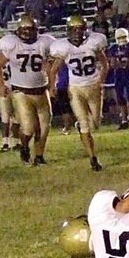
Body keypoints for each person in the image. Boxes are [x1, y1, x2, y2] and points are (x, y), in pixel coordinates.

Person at [47, 15, 109, 171]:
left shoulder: (94, 43)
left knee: (96, 122)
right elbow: (54, 69)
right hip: (75, 87)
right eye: (73, 30)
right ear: (68, 31)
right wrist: (52, 86)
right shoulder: (63, 47)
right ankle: (93, 158)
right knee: (85, 125)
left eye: (79, 29)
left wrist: (101, 80)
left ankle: (83, 125)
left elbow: (105, 63)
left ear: (85, 29)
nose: (76, 33)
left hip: (93, 85)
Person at [0, 15, 55, 165]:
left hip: (41, 90)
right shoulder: (12, 44)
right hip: (21, 92)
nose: (27, 33)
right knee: (28, 128)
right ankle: (24, 145)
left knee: (44, 127)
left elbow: (49, 66)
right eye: (25, 29)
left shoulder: (44, 43)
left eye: (30, 29)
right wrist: (1, 85)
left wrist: (52, 84)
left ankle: (39, 156)